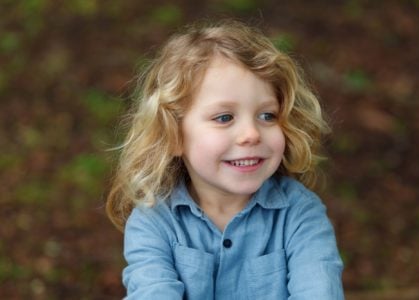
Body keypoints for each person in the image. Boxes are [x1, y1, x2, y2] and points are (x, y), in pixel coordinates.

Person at [106, 19, 344, 299]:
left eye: (267, 115)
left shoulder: (300, 215)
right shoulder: (154, 220)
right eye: (224, 118)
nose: (251, 134)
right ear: (174, 136)